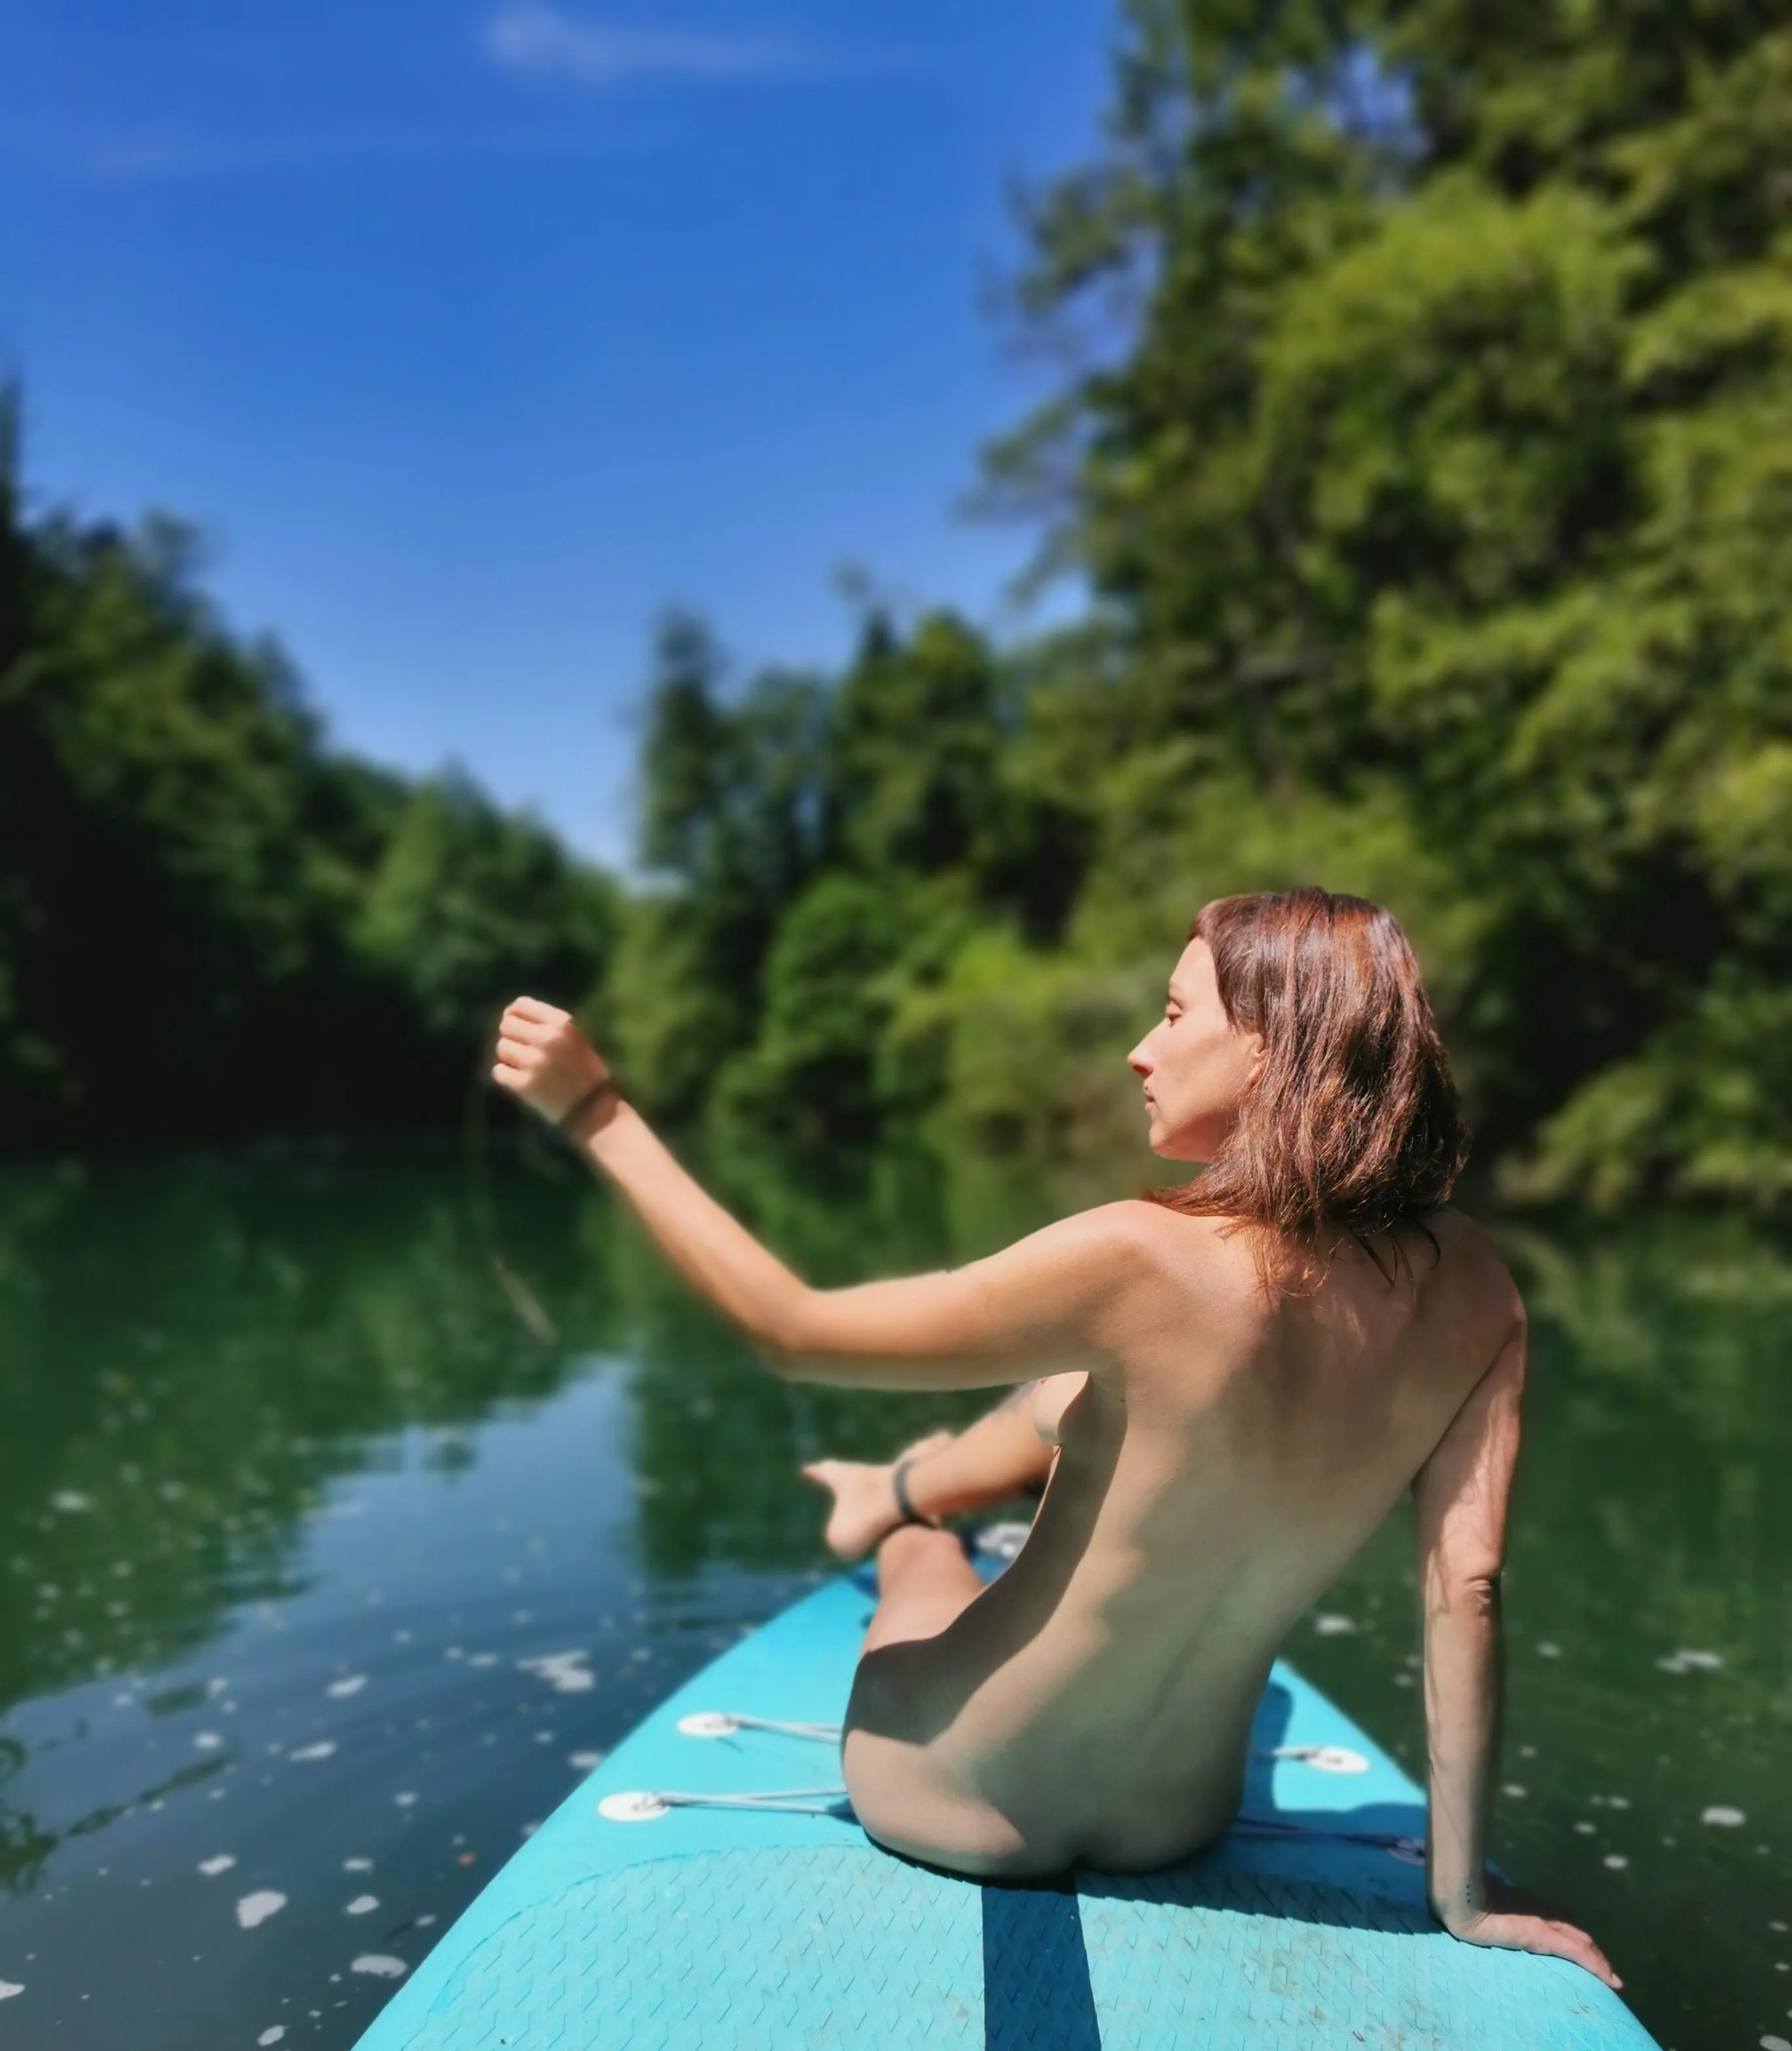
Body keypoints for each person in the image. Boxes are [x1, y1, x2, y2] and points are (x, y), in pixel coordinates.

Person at [491, 886, 1619, 1990]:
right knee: (1085, 1391)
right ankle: (901, 1483)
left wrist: (598, 1112)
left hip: (942, 1787)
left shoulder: (1142, 1256)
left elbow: (794, 1332)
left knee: (934, 1557)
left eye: (1174, 1016)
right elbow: (1464, 1588)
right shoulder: (1480, 1287)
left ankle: (893, 1503)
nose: (1140, 1050)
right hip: (1179, 1819)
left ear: (1273, 1050)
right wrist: (1461, 1901)